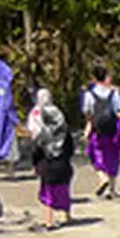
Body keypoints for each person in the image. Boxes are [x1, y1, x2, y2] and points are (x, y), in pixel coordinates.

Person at [24, 85, 75, 230]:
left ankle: (49, 221)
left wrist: (34, 164)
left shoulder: (38, 121)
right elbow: (70, 145)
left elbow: (36, 146)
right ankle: (67, 215)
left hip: (46, 164)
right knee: (64, 189)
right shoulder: (61, 121)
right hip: (63, 163)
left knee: (49, 193)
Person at [80, 67, 120, 199]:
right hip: (113, 129)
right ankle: (111, 190)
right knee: (113, 156)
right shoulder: (114, 93)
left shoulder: (89, 94)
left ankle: (103, 177)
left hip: (97, 130)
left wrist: (87, 131)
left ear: (94, 79)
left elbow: (87, 113)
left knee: (96, 155)